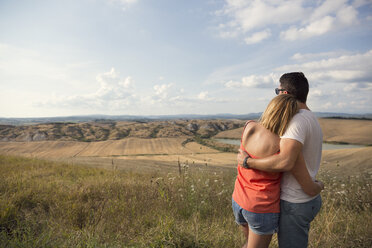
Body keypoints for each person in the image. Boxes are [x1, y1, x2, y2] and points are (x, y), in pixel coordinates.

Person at [237, 72, 323, 248]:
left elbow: (286, 161)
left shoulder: (296, 121)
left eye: (277, 90)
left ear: (283, 93)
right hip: (300, 200)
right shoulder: (310, 117)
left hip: (295, 200)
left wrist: (247, 162)